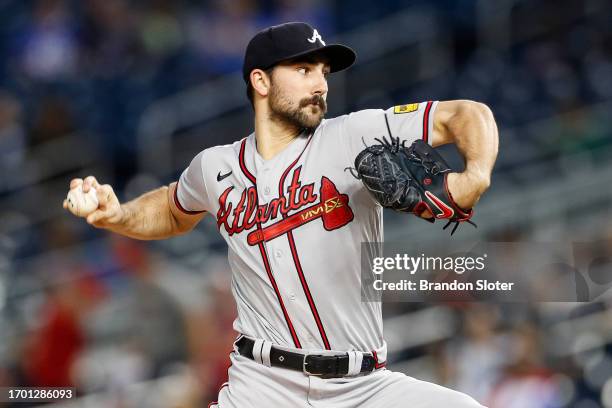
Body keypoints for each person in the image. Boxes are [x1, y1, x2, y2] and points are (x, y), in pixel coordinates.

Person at [64, 22, 498, 408]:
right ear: (261, 81)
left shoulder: (353, 135)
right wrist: (117, 214)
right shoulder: (214, 166)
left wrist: (474, 176)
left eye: (324, 73)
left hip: (364, 386)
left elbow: (468, 114)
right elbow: (174, 208)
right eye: (304, 70)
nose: (321, 85)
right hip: (262, 384)